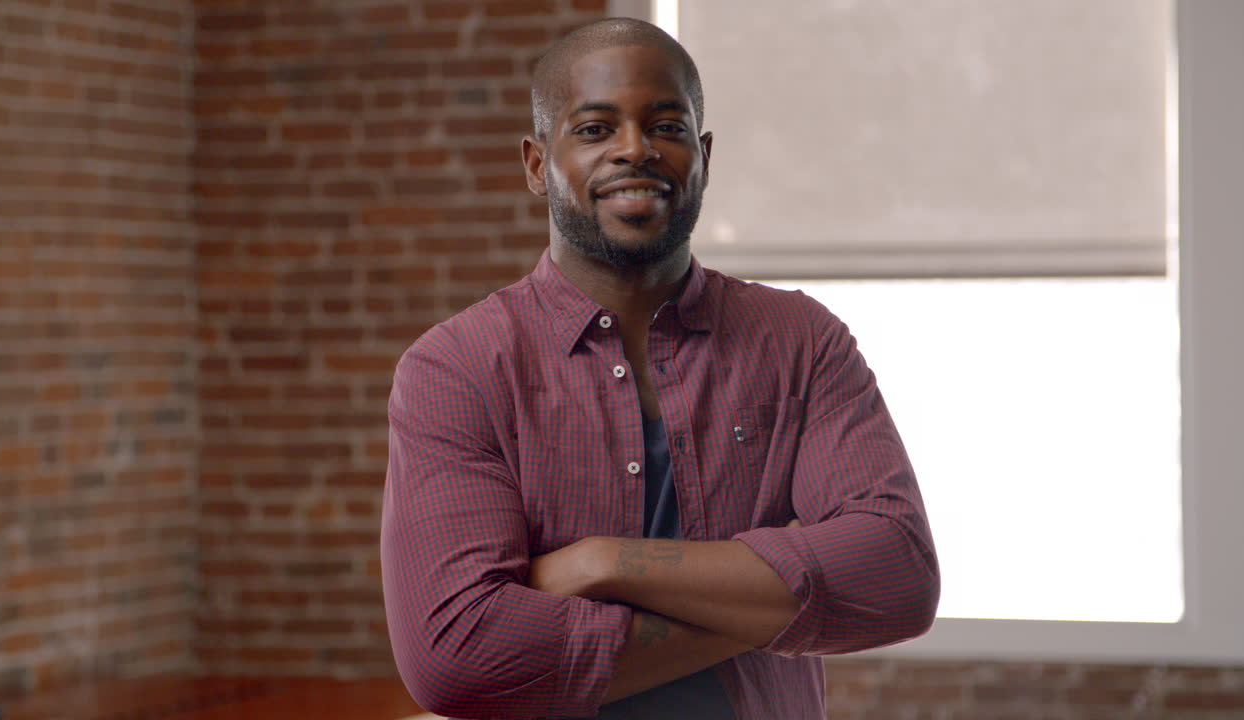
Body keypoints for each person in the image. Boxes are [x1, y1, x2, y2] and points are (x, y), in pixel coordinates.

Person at [381, 17, 939, 720]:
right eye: (593, 129)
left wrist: (604, 564)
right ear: (535, 164)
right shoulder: (457, 369)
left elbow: (897, 578)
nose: (635, 150)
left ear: (703, 156)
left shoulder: (802, 342)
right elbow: (457, 657)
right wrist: (773, 596)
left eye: (667, 126)